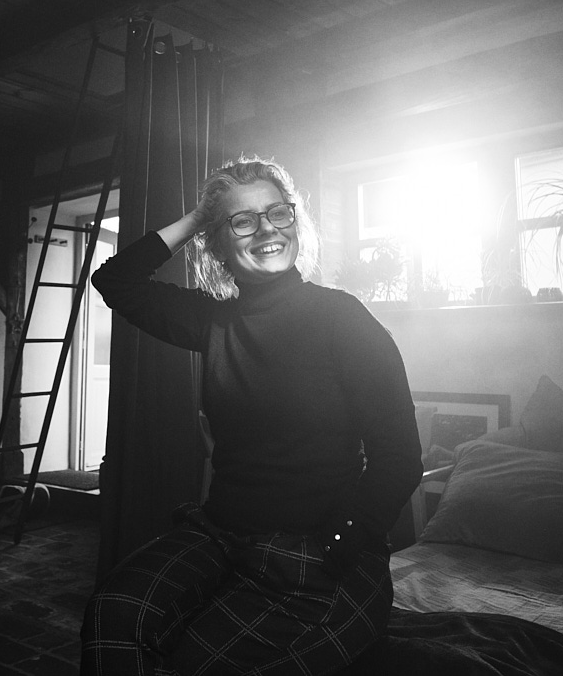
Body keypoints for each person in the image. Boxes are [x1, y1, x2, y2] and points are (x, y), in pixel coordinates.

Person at [80, 156, 422, 676]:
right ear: (218, 244)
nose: (266, 229)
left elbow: (399, 457)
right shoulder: (213, 321)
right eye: (243, 220)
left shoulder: (344, 319)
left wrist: (338, 543)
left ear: (294, 222)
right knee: (113, 615)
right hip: (223, 535)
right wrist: (201, 216)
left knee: (202, 663)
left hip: (323, 550)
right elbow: (116, 280)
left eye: (278, 213)